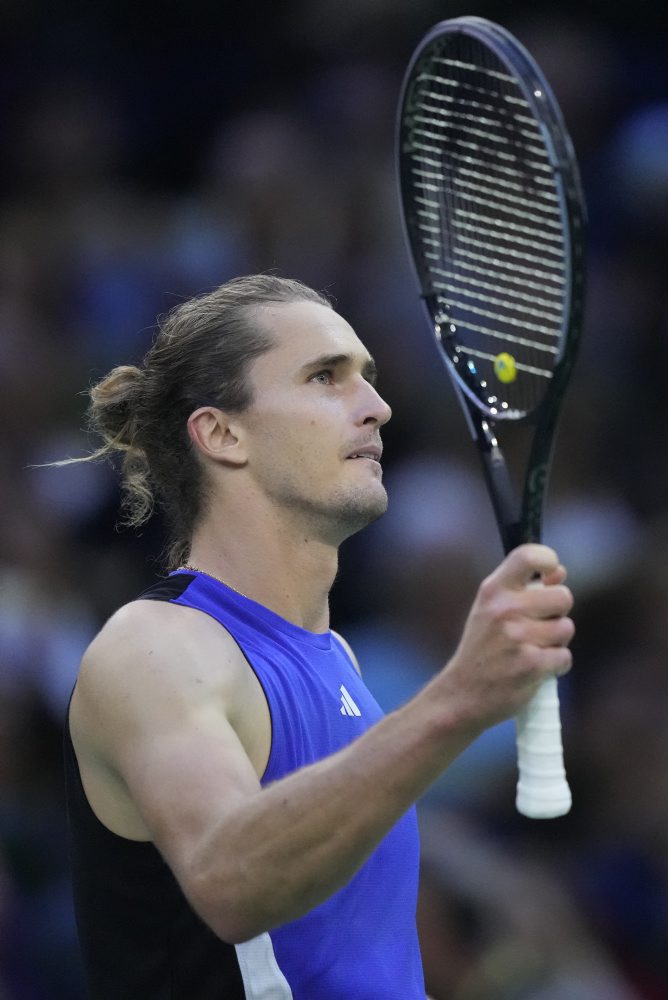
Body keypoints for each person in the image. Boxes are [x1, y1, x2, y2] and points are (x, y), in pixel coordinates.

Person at [62, 274, 574, 999]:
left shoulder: (337, 660)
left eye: (368, 378)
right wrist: (458, 698)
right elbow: (229, 879)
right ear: (221, 433)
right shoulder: (156, 650)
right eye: (326, 377)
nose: (377, 407)